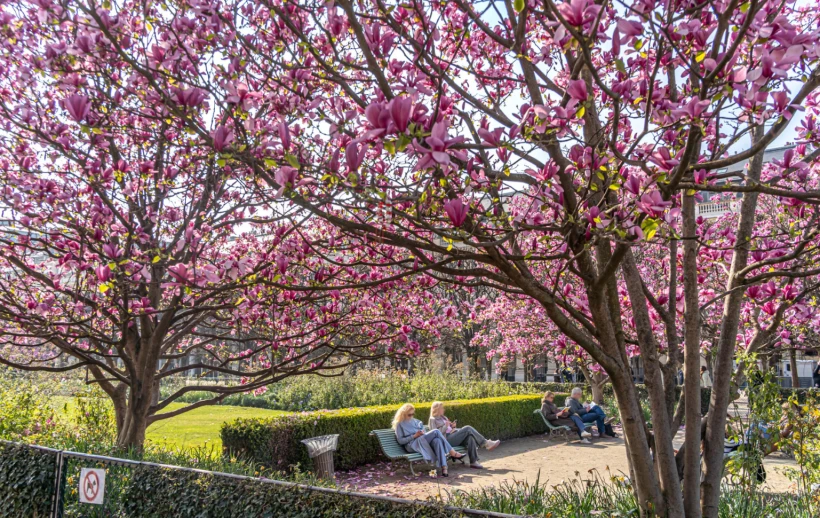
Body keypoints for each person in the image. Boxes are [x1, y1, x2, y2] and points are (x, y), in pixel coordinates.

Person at [392, 403, 465, 476]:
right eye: (409, 415)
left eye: (412, 414)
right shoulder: (399, 424)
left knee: (437, 440)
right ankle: (452, 452)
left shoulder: (416, 421)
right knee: (436, 431)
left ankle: (444, 468)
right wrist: (414, 436)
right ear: (403, 414)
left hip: (422, 440)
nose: (411, 416)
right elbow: (400, 441)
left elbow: (424, 433)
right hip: (412, 445)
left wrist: (422, 433)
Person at [428, 401, 500, 469]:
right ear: (437, 409)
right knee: (468, 428)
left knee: (470, 437)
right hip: (446, 440)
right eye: (442, 408)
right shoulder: (432, 419)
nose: (443, 409)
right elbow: (434, 433)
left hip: (453, 435)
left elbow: (449, 428)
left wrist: (452, 426)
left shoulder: (444, 417)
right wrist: (445, 426)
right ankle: (486, 443)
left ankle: (473, 462)